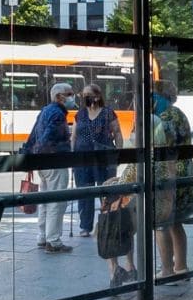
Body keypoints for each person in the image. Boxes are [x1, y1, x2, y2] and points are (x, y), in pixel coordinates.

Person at [25, 82, 75, 253]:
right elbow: (47, 137)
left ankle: (42, 236)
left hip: (43, 162)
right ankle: (53, 241)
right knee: (57, 201)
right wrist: (46, 151)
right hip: (55, 162)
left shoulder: (45, 110)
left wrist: (32, 155)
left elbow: (33, 135)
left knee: (45, 200)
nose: (72, 97)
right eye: (69, 94)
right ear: (59, 97)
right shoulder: (57, 114)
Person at [152, 80, 193, 278]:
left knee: (162, 222)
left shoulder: (165, 116)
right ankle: (181, 266)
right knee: (176, 222)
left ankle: (167, 270)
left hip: (169, 172)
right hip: (184, 170)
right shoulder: (179, 113)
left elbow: (164, 148)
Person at [71, 83, 122, 237]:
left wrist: (118, 154)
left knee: (106, 191)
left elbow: (118, 133)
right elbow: (73, 136)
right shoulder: (79, 114)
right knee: (85, 192)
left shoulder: (108, 113)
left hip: (104, 158)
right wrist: (72, 157)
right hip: (82, 158)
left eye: (87, 95)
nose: (84, 97)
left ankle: (108, 222)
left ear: (98, 96)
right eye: (83, 95)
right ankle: (85, 226)